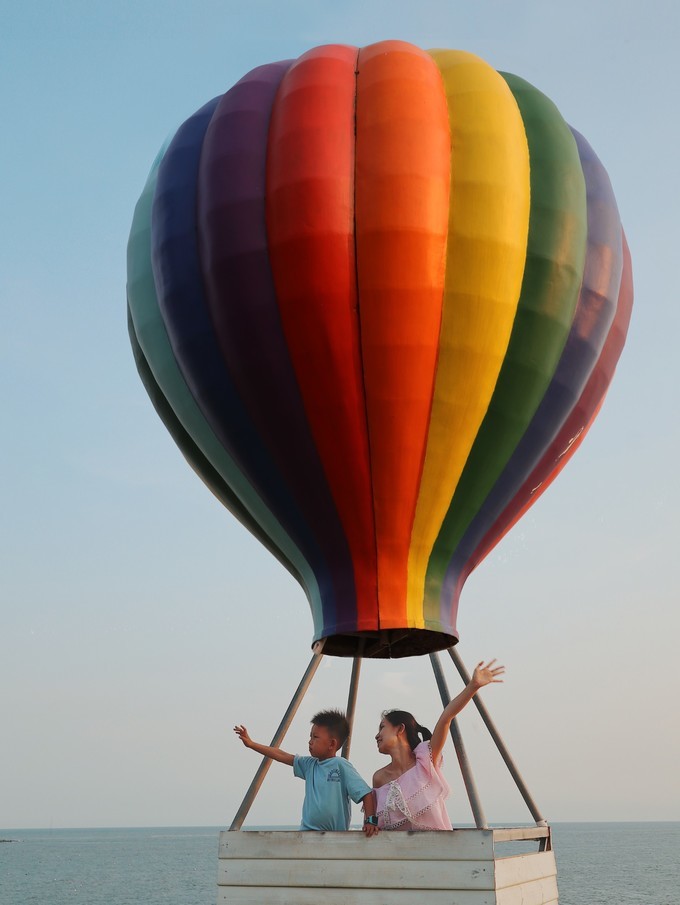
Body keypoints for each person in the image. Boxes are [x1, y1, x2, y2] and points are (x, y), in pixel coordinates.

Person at [372, 659, 505, 830]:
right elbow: (373, 825)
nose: (377, 735)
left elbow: (446, 718)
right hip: (396, 855)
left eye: (382, 727)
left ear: (400, 729)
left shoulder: (425, 760)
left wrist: (473, 686)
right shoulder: (379, 778)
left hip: (437, 853)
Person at [234, 709, 379, 835]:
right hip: (307, 833)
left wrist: (370, 821)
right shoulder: (309, 765)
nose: (310, 741)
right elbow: (281, 755)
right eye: (310, 736)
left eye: (315, 737)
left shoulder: (341, 765)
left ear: (332, 744)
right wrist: (251, 744)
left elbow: (366, 793)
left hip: (335, 836)